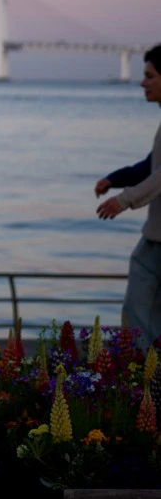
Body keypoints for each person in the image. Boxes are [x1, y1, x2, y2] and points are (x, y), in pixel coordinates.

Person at [95, 44, 161, 348]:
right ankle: (143, 371)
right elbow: (150, 166)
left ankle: (142, 372)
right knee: (140, 316)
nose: (142, 82)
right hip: (154, 239)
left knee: (140, 316)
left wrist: (123, 200)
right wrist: (114, 179)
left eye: (150, 76)